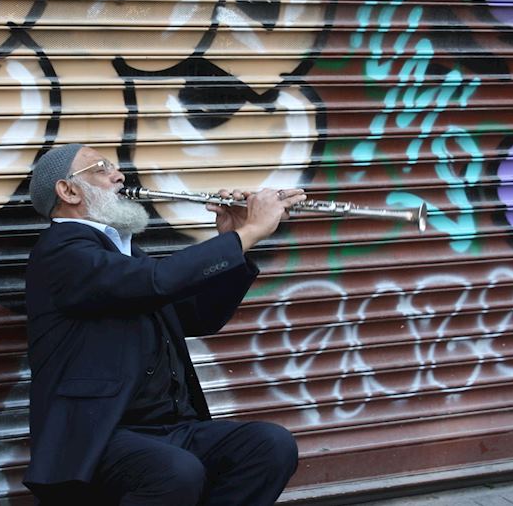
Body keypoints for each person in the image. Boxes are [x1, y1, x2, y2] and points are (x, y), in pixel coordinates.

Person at [23, 143, 305, 505]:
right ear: (68, 190)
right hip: (99, 434)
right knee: (175, 471)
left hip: (169, 428)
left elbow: (198, 316)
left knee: (269, 446)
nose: (119, 175)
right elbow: (158, 279)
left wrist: (231, 241)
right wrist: (247, 233)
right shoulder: (61, 251)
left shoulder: (123, 254)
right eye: (101, 168)